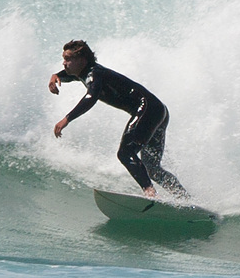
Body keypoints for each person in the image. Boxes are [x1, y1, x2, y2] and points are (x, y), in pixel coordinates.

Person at [49, 40, 188, 198]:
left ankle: (149, 192)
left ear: (82, 60)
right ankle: (183, 197)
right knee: (153, 169)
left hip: (148, 109)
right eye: (64, 59)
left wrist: (66, 119)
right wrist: (55, 76)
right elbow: (68, 75)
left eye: (68, 59)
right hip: (158, 110)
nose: (64, 63)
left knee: (125, 153)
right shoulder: (85, 72)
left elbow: (91, 97)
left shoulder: (95, 74)